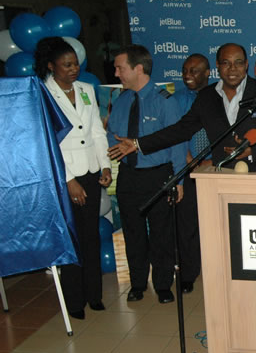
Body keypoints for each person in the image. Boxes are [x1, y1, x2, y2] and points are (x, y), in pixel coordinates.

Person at [109, 43, 256, 173]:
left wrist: (252, 151)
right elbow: (181, 130)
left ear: (246, 65)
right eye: (226, 63)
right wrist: (138, 143)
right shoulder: (207, 97)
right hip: (223, 174)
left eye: (239, 62)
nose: (233, 68)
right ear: (217, 66)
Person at [33, 37, 112, 320]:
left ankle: (94, 295)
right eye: (66, 65)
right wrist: (68, 180)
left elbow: (96, 132)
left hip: (90, 171)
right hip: (64, 176)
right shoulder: (42, 93)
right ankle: (74, 301)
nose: (73, 69)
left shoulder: (86, 89)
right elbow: (47, 142)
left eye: (75, 63)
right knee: (71, 238)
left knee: (90, 236)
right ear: (52, 66)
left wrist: (105, 166)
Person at [106, 44, 184, 305]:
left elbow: (177, 142)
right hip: (129, 175)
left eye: (120, 68)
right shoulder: (122, 101)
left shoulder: (164, 101)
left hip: (158, 175)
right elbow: (111, 135)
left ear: (138, 68)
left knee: (162, 232)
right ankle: (138, 283)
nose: (116, 73)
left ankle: (163, 285)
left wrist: (178, 181)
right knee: (133, 232)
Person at [172, 53, 211, 294]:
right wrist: (190, 161)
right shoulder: (175, 100)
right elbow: (174, 133)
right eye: (185, 71)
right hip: (187, 169)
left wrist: (213, 161)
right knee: (187, 225)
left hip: (216, 168)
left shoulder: (218, 97)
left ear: (207, 73)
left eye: (194, 71)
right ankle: (188, 274)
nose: (187, 76)